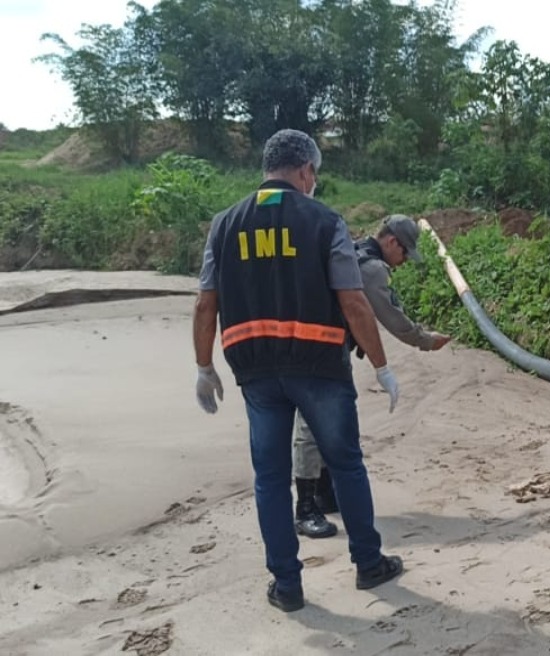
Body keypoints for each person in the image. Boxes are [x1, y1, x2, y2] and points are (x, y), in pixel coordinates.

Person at [192, 129, 405, 613]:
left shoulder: (225, 225)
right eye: (316, 175)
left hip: (256, 372)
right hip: (320, 367)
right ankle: (368, 564)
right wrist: (382, 366)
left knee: (270, 478)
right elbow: (352, 300)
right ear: (306, 171)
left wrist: (204, 367)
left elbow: (207, 304)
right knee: (347, 464)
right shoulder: (325, 221)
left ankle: (287, 586)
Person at [293, 214, 452, 539]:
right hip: (319, 350)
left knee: (326, 422)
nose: (404, 261)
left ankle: (323, 494)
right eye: (405, 253)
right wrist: (426, 341)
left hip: (315, 345)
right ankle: (305, 508)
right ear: (391, 241)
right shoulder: (372, 268)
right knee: (312, 426)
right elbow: (392, 317)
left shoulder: (350, 252)